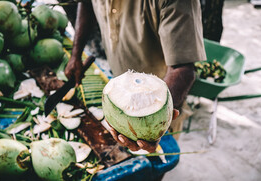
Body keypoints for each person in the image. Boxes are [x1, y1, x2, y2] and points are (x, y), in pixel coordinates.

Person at [65, 0, 206, 153]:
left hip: (165, 100)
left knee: (156, 162)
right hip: (121, 91)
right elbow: (86, 3)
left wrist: (156, 121)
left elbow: (183, 68)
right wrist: (76, 54)